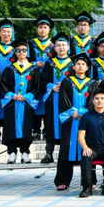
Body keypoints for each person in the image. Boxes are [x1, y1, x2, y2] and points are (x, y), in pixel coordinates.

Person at [55, 53, 95, 191]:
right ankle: (63, 180)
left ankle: (90, 180)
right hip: (70, 121)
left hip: (86, 121)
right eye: (78, 64)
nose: (80, 66)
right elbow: (63, 99)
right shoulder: (67, 81)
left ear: (87, 68)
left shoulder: (92, 83)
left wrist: (81, 113)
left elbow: (93, 101)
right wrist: (73, 113)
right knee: (66, 148)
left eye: (83, 64)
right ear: (73, 66)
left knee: (88, 148)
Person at [0, 38, 39, 164]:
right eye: (18, 50)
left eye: (24, 50)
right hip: (12, 103)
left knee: (26, 126)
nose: (21, 52)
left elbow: (37, 87)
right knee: (10, 126)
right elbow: (3, 86)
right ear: (15, 53)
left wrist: (26, 97)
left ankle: (25, 152)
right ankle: (11, 153)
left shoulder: (33, 69)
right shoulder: (9, 69)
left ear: (27, 52)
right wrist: (12, 95)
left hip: (26, 103)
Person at [77, 87, 104, 198]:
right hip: (91, 148)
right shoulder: (86, 116)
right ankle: (87, 187)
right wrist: (85, 148)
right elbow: (80, 136)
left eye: (102, 98)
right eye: (97, 98)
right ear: (93, 101)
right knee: (85, 155)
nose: (99, 101)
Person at [40, 33, 73, 164]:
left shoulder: (73, 63)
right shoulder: (49, 64)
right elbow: (42, 81)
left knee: (67, 124)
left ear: (68, 47)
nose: (61, 47)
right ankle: (49, 153)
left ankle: (66, 153)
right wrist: (52, 86)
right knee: (50, 125)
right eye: (58, 45)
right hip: (52, 99)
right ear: (54, 48)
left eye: (64, 45)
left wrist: (66, 86)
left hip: (68, 99)